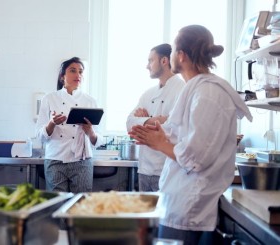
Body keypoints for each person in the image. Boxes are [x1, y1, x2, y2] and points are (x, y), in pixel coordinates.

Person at [129, 25, 253, 244]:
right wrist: (158, 134)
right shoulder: (196, 89)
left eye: (174, 49)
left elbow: (196, 158)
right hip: (177, 200)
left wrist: (160, 143)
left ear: (181, 55)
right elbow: (181, 135)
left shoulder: (208, 94)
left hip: (189, 207)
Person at [35, 57, 102, 193]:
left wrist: (90, 131)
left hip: (81, 161)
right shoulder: (49, 99)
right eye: (73, 71)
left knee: (81, 205)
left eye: (81, 72)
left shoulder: (90, 101)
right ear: (62, 76)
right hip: (55, 159)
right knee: (57, 204)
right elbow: (39, 136)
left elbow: (98, 140)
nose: (78, 75)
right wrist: (52, 124)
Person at [126, 43, 185, 192]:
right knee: (144, 214)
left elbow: (173, 127)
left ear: (164, 61)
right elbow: (129, 123)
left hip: (167, 168)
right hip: (144, 169)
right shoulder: (148, 93)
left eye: (150, 60)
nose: (147, 66)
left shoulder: (182, 89)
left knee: (165, 214)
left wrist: (144, 122)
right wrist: (155, 120)